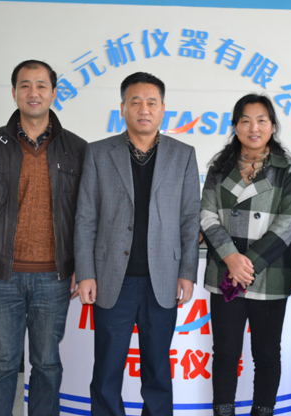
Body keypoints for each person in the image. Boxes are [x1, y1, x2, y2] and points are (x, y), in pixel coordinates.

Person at [0, 60, 87, 416]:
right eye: (25, 85)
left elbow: (85, 216)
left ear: (54, 93)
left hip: (54, 276)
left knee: (47, 363)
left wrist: (83, 267)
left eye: (41, 85)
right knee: (2, 362)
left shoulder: (77, 148)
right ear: (14, 92)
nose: (34, 92)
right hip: (1, 274)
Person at [73, 72, 201, 416]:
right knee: (107, 369)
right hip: (112, 278)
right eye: (135, 102)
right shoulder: (99, 153)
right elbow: (85, 217)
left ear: (163, 109)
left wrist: (187, 272)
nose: (144, 109)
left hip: (163, 278)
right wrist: (85, 272)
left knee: (158, 370)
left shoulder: (183, 155)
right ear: (122, 108)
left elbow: (191, 218)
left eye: (151, 102)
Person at [200, 94, 291, 416]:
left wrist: (247, 265)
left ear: (272, 126)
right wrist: (231, 258)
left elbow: (289, 222)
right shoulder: (219, 168)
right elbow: (206, 215)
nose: (253, 128)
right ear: (235, 126)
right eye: (245, 120)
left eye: (261, 120)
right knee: (225, 353)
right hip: (224, 273)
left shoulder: (288, 170)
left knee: (267, 354)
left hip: (268, 274)